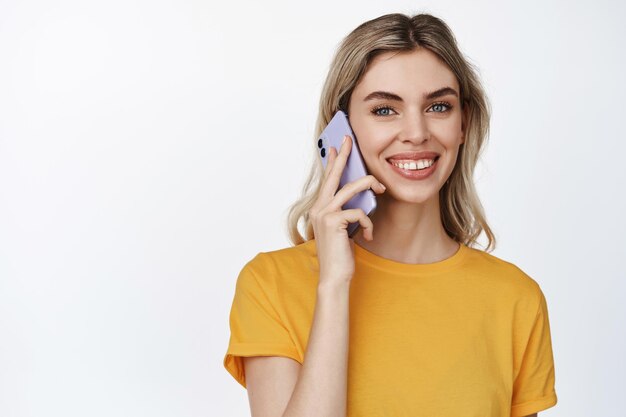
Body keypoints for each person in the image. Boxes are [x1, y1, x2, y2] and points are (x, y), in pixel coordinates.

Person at [223, 12, 557, 417]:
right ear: (342, 128)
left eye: (438, 106)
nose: (417, 132)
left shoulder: (515, 299)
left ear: (463, 123)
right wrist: (334, 285)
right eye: (385, 110)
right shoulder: (272, 284)